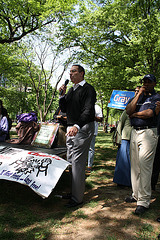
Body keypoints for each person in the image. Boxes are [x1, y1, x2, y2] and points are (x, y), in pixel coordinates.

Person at [59, 64, 96, 208]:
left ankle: (77, 198)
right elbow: (64, 108)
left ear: (82, 73)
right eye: (70, 72)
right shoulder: (71, 90)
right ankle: (74, 191)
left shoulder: (88, 89)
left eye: (74, 72)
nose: (71, 74)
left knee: (78, 162)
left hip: (82, 127)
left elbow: (87, 111)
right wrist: (62, 95)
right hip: (71, 128)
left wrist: (77, 126)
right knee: (70, 161)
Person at [125, 74, 160, 215]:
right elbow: (128, 110)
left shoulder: (156, 97)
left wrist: (135, 115)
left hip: (148, 133)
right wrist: (138, 94)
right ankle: (136, 195)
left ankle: (144, 201)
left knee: (145, 166)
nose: (146, 83)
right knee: (135, 166)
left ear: (154, 83)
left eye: (149, 81)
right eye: (144, 81)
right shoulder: (138, 97)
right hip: (135, 132)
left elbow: (149, 113)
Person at [113, 86, 140, 187]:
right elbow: (120, 125)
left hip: (137, 137)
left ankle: (131, 181)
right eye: (135, 91)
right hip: (126, 138)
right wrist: (118, 138)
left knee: (133, 161)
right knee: (124, 160)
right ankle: (122, 181)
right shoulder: (127, 110)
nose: (136, 92)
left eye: (138, 91)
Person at [87, 104, 103, 173]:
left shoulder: (97, 107)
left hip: (92, 132)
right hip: (82, 131)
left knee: (90, 148)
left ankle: (89, 166)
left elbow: (100, 119)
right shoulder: (83, 105)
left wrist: (92, 117)